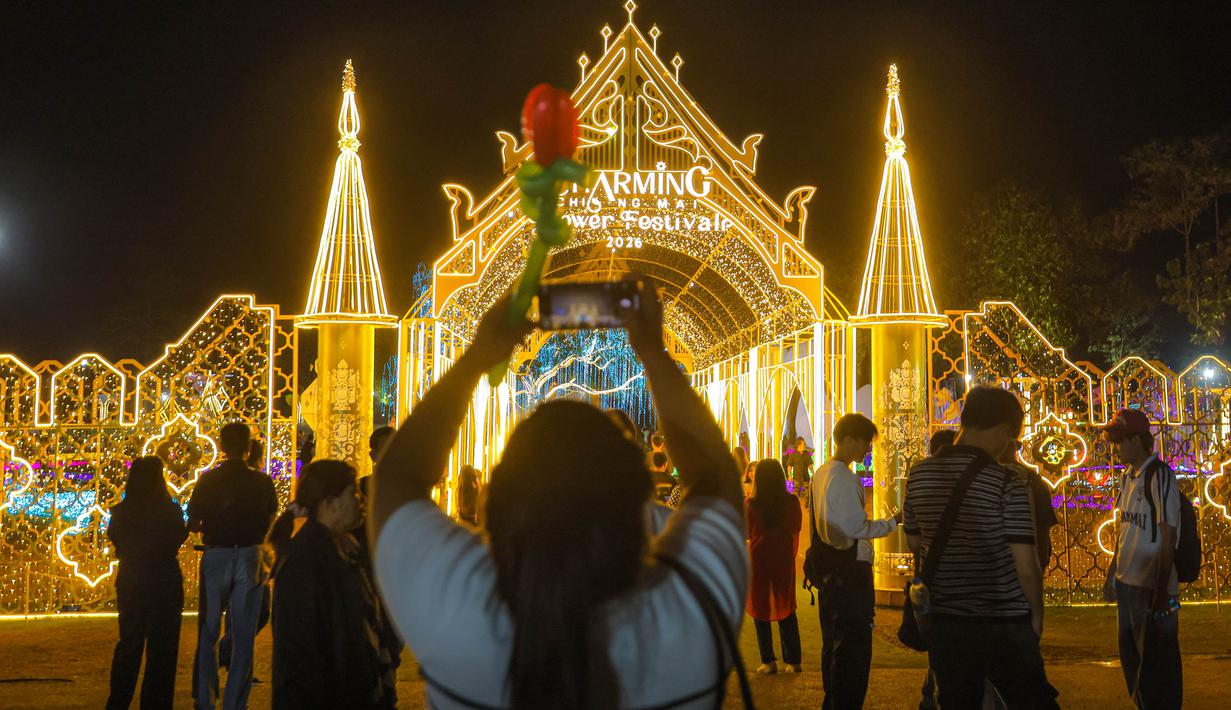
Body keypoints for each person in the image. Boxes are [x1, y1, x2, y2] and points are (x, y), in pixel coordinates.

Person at [368, 283, 747, 709]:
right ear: (639, 509)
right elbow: (713, 473)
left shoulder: (459, 608)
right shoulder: (691, 608)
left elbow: (397, 475)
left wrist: (477, 358)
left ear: (496, 505)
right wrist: (654, 354)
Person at [903, 386, 1059, 708]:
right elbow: (1026, 564)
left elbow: (916, 543)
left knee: (957, 700)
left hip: (946, 621)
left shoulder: (918, 475)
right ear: (1004, 430)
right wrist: (1036, 614)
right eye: (1012, 439)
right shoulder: (1006, 481)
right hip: (1003, 620)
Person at [269, 460, 393, 709]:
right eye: (354, 492)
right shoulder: (309, 559)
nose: (361, 500)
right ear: (330, 503)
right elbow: (304, 650)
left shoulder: (341, 548)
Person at [188, 422, 279, 710]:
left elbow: (193, 521)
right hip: (250, 553)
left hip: (216, 553)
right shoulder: (261, 482)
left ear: (222, 446)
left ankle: (206, 699)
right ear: (249, 447)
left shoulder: (208, 480)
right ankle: (235, 703)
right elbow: (269, 520)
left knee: (209, 630)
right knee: (243, 634)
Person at [811, 413, 899, 709]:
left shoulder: (822, 473)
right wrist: (892, 522)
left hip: (829, 573)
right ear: (848, 440)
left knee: (833, 646)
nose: (867, 450)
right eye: (865, 443)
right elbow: (856, 529)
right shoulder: (843, 477)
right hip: (850, 575)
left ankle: (833, 700)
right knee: (852, 652)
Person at [1102, 408, 1183, 710]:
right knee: (1133, 662)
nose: (1116, 448)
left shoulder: (1158, 475)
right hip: (1128, 583)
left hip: (1152, 587)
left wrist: (1162, 592)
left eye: (1120, 440)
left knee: (1159, 664)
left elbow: (1168, 535)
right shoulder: (1127, 478)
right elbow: (1124, 529)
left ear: (1137, 440)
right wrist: (1113, 571)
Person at [105, 456, 188, 710]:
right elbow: (177, 537)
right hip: (163, 580)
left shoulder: (121, 511)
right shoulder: (169, 510)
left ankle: (118, 701)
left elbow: (116, 539)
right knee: (162, 648)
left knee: (129, 643)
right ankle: (157, 703)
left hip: (132, 579)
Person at [219, 439, 272, 677]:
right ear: (252, 456)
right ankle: (226, 650)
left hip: (222, 552)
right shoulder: (260, 483)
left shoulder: (217, 480)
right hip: (250, 551)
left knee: (237, 609)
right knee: (258, 609)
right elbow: (270, 515)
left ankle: (236, 664)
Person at [745, 458, 804, 675]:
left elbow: (746, 531)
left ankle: (768, 661)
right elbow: (796, 528)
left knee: (760, 605)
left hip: (759, 558)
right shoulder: (791, 502)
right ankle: (793, 660)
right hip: (783, 556)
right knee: (786, 603)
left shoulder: (751, 503)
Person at [917, 429, 957, 710]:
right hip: (969, 585)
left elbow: (912, 537)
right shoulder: (986, 475)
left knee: (939, 647)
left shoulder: (919, 476)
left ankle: (932, 696)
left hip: (931, 578)